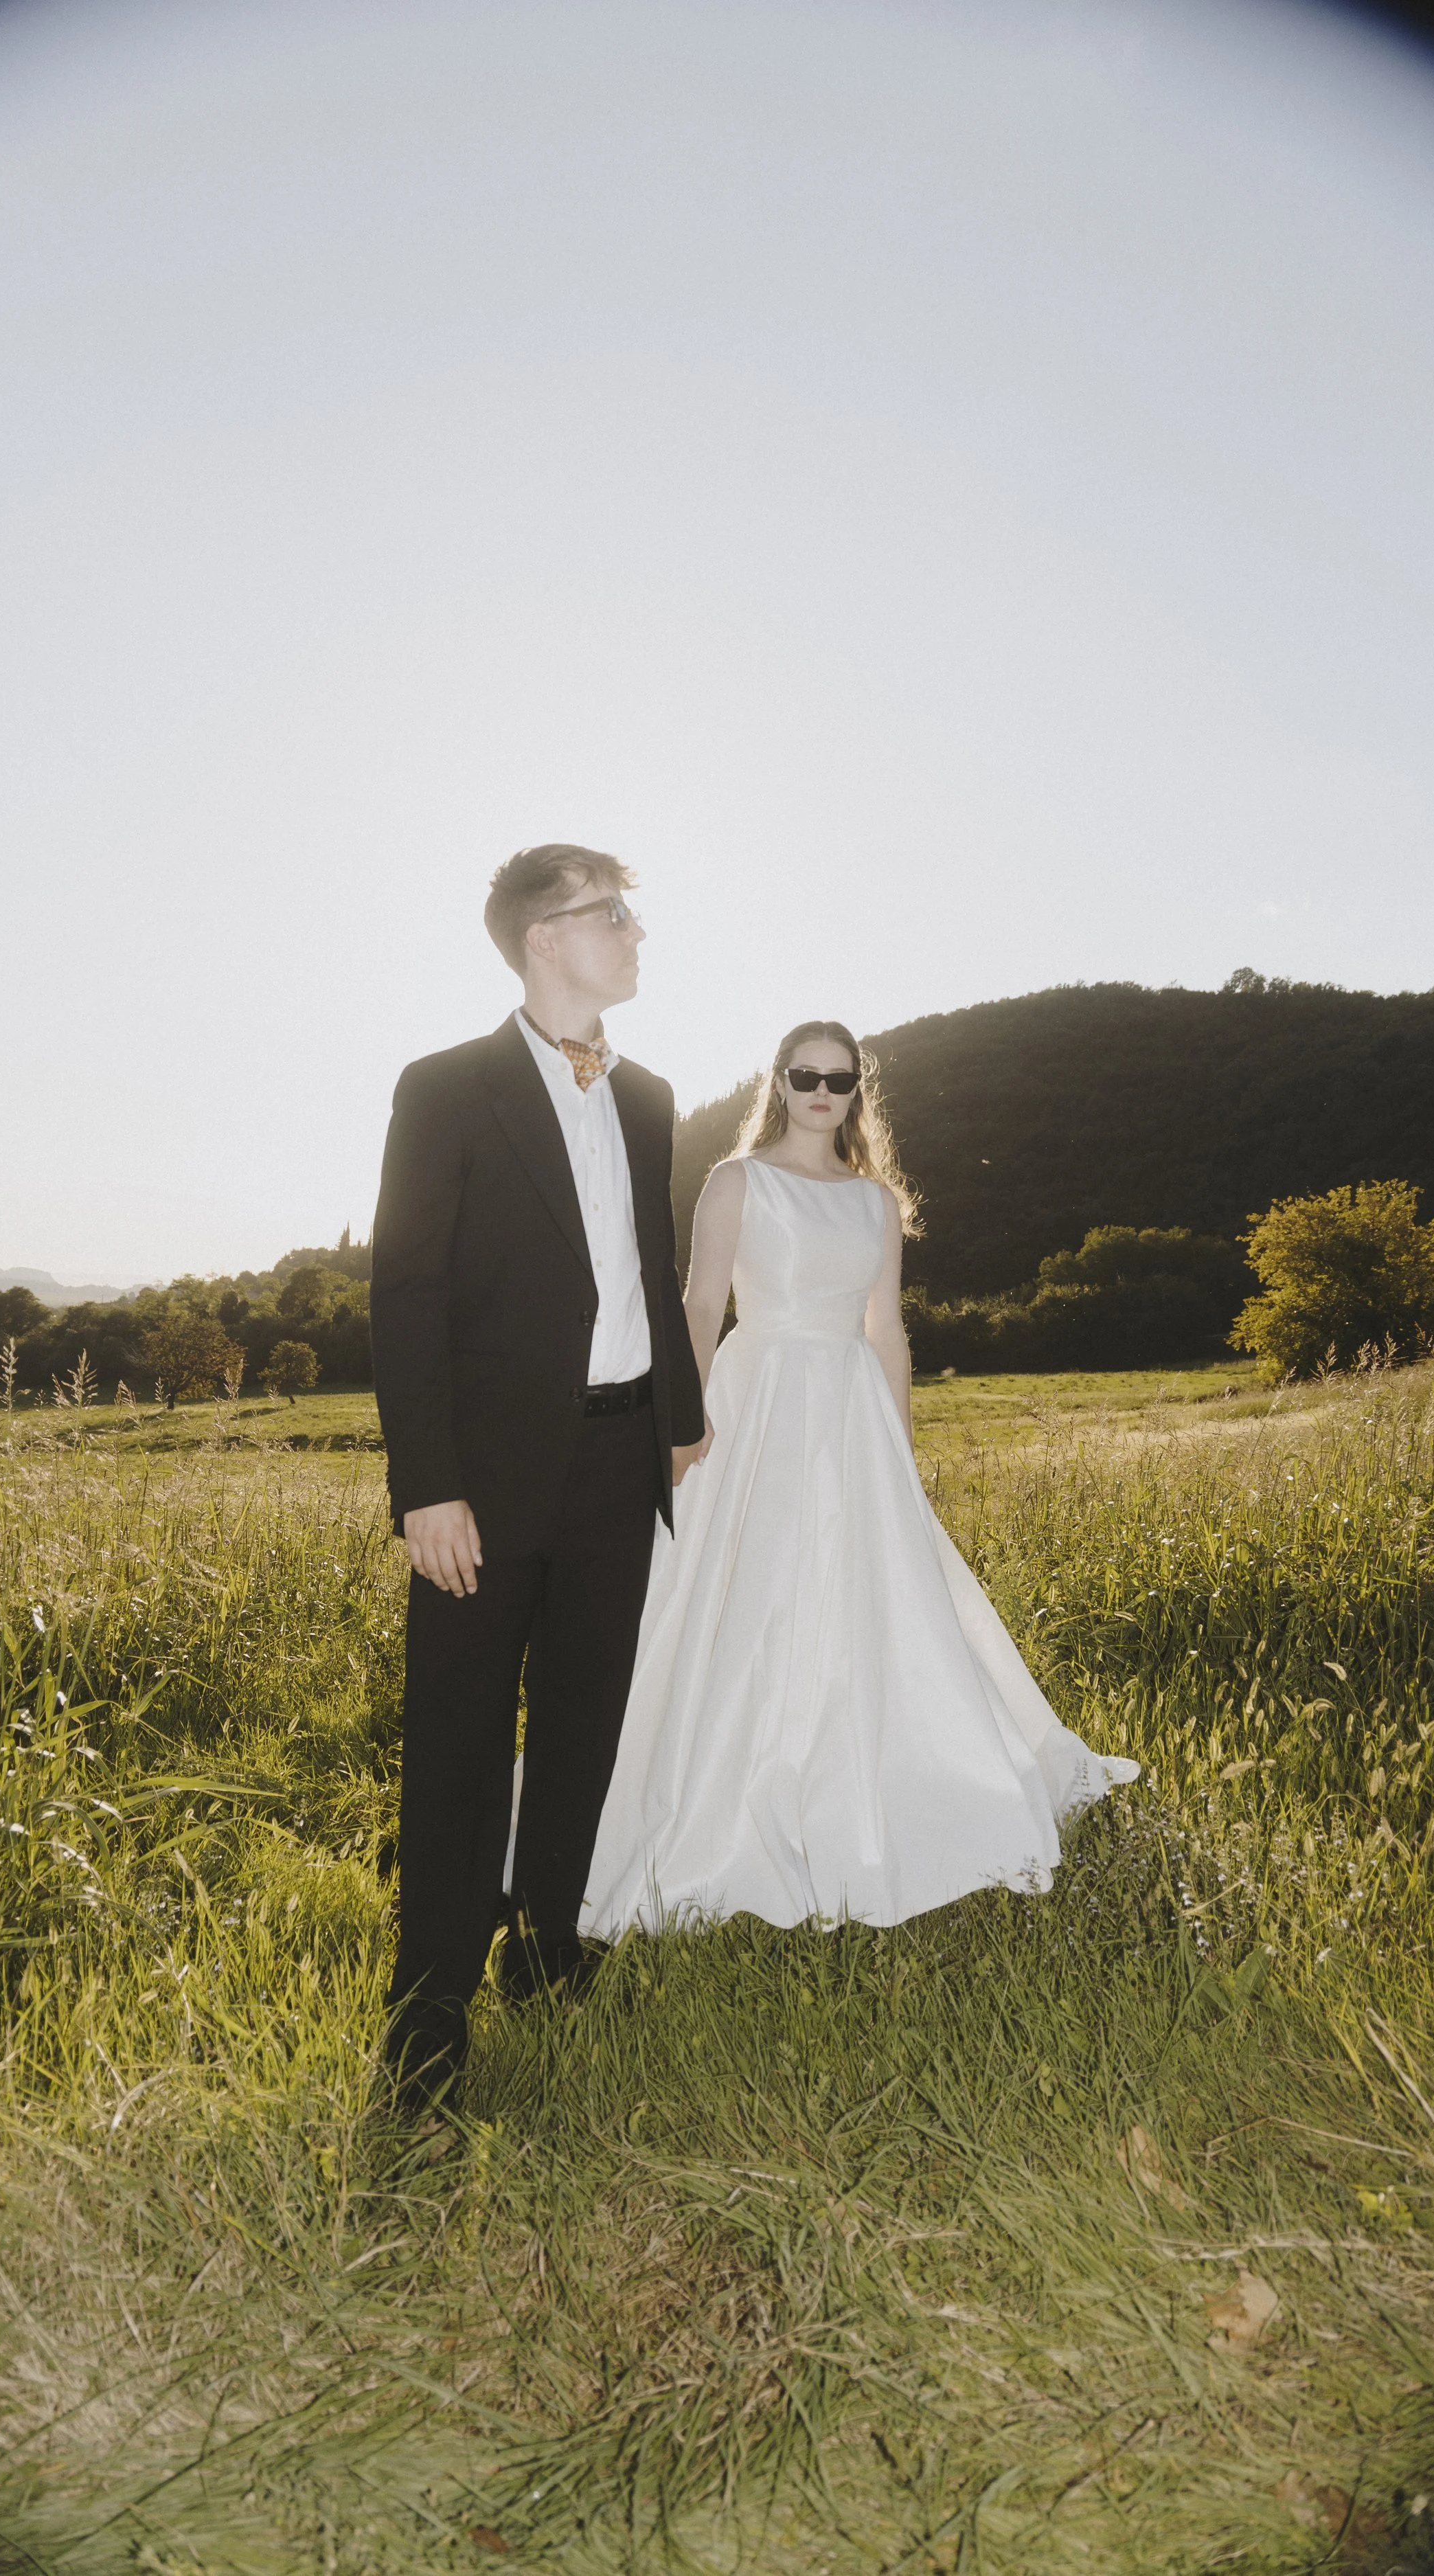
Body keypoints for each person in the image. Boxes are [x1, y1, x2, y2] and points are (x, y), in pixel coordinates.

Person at [582, 1019, 1137, 1936]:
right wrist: (681, 1422)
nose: (820, 1091)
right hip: (755, 1397)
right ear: (780, 1081)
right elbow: (698, 1304)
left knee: (863, 1596)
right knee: (743, 1592)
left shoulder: (875, 1202)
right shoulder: (737, 1181)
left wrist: (900, 1450)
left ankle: (870, 1779)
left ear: (856, 1092)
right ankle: (726, 1786)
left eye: (838, 1079)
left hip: (849, 1414)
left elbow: (886, 1331)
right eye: (804, 1074)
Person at [370, 844, 705, 2112]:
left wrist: (680, 1413)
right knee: (458, 1741)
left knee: (583, 1718)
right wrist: (428, 1484)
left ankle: (549, 1948)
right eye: (609, 915)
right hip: (485, 1480)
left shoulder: (651, 1097)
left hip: (624, 1456)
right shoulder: (445, 1090)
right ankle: (428, 2025)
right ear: (540, 941)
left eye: (630, 913)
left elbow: (645, 1265)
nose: (632, 934)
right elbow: (406, 1294)